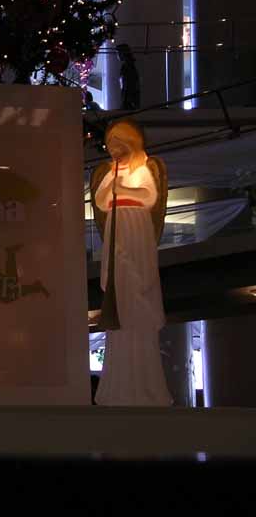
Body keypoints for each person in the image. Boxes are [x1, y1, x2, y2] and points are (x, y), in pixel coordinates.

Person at [90, 119, 172, 406]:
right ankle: (118, 384)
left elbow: (149, 195)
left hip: (135, 225)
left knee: (136, 288)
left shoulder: (143, 168)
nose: (114, 152)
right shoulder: (112, 171)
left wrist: (123, 191)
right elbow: (100, 200)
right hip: (117, 227)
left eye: (118, 145)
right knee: (120, 290)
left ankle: (146, 387)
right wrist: (111, 185)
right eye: (110, 147)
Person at [116, 44, 140, 110]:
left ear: (122, 53)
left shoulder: (127, 67)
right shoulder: (130, 66)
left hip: (129, 101)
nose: (117, 55)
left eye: (117, 53)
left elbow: (127, 85)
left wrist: (126, 101)